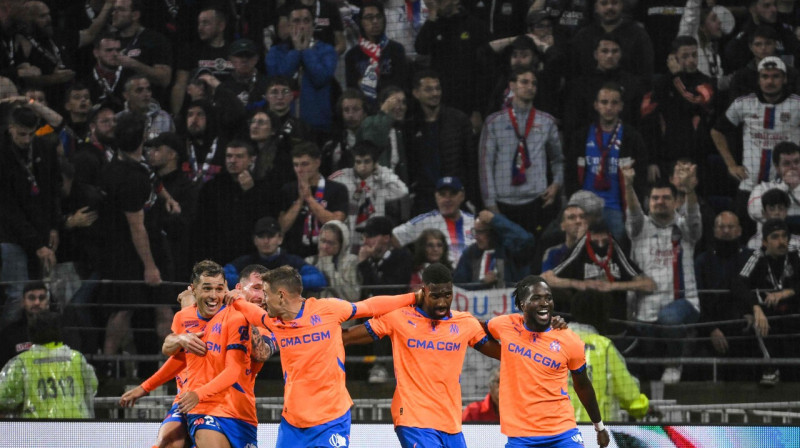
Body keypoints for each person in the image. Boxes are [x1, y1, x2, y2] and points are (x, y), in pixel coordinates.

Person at [229, 265, 424, 447]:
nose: (264, 299)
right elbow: (251, 312)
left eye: (266, 293)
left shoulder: (328, 309)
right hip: (292, 423)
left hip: (332, 420)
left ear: (281, 295)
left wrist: (414, 298)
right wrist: (234, 299)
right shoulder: (274, 323)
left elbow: (370, 306)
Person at [342, 263, 502, 447]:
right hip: (412, 418)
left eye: (447, 295)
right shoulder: (399, 317)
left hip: (450, 422)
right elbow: (347, 337)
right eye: (435, 296)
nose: (442, 302)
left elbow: (505, 354)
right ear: (423, 292)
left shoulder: (466, 323)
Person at [119, 262, 276, 448]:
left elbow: (260, 354)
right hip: (192, 402)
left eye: (265, 291)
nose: (261, 296)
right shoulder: (190, 314)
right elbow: (175, 354)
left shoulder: (258, 322)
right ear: (237, 288)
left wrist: (240, 305)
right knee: (167, 442)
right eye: (257, 288)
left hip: (236, 408)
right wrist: (145, 387)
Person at [485, 276, 610, 448]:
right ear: (522, 304)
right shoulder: (506, 325)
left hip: (563, 434)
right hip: (521, 437)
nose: (544, 302)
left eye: (548, 297)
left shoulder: (569, 339)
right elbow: (476, 334)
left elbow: (582, 385)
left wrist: (599, 427)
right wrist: (505, 354)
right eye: (536, 298)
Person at [622, 163, 702, 384]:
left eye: (666, 197)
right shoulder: (640, 229)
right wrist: (628, 185)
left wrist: (689, 190)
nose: (660, 202)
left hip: (683, 302)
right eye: (655, 198)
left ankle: (674, 362)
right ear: (649, 202)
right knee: (646, 349)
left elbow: (694, 219)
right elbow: (634, 214)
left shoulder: (685, 229)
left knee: (669, 319)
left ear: (676, 202)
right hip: (645, 305)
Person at [712, 56, 800, 235]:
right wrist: (730, 164)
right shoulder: (744, 104)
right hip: (749, 184)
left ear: (784, 79)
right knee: (744, 239)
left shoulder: (797, 105)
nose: (770, 81)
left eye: (775, 76)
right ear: (758, 79)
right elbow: (716, 131)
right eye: (765, 76)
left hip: (786, 186)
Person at [479, 65, 563, 237]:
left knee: (535, 256)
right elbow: (485, 166)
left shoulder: (547, 122)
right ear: (512, 86)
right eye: (524, 82)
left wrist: (556, 185)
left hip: (536, 202)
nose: (530, 87)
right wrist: (491, 204)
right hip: (503, 203)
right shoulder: (493, 122)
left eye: (533, 83)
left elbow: (558, 160)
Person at [565, 81, 650, 242]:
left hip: (616, 208)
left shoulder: (632, 138)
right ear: (596, 105)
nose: (609, 107)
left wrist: (631, 211)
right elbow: (570, 174)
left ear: (621, 106)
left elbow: (640, 178)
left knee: (616, 255)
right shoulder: (581, 137)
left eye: (614, 103)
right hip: (584, 209)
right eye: (604, 102)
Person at [0, 105, 61, 327]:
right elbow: (7, 208)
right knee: (18, 294)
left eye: (30, 133)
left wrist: (54, 227)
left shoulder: (44, 147)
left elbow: (53, 189)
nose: (26, 139)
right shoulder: (3, 152)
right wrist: (36, 244)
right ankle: (7, 348)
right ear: (10, 128)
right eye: (21, 134)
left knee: (38, 293)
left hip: (41, 229)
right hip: (10, 235)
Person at [542, 220, 656, 334]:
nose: (601, 245)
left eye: (604, 241)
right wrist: (579, 284)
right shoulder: (581, 248)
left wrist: (613, 286)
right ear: (589, 236)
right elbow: (545, 278)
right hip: (584, 327)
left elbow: (649, 285)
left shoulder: (615, 248)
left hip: (615, 325)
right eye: (596, 241)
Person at [734, 219, 800, 385]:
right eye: (775, 237)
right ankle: (770, 368)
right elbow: (739, 284)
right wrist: (755, 308)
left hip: (794, 310)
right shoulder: (757, 256)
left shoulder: (795, 253)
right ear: (764, 242)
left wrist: (786, 292)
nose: (781, 241)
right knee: (757, 322)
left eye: (785, 236)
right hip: (769, 313)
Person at [566, 294, 650, 423]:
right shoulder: (604, 347)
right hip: (596, 434)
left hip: (557, 436)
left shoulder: (553, 345)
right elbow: (629, 396)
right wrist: (644, 408)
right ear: (601, 315)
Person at [407, 70, 479, 214]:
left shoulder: (458, 120)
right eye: (428, 89)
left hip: (455, 196)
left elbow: (471, 161)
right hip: (425, 200)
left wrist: (470, 196)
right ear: (416, 93)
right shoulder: (410, 125)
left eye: (437, 88)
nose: (435, 93)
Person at [0, 311, 97, 418]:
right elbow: (92, 386)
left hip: (37, 429)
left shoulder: (22, 362)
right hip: (76, 428)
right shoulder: (77, 358)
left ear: (31, 332)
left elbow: (3, 397)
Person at [192, 140, 275, 265]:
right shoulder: (212, 187)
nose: (232, 160)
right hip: (216, 256)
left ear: (252, 159)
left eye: (239, 156)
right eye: (229, 156)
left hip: (250, 259)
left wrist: (250, 192)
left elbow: (264, 221)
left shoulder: (263, 187)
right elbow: (201, 225)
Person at [694, 211, 754, 377]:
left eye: (730, 226)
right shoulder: (702, 260)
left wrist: (751, 311)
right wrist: (711, 329)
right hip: (710, 326)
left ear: (740, 230)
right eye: (721, 227)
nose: (726, 231)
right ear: (714, 230)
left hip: (744, 327)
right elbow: (697, 299)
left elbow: (756, 290)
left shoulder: (751, 257)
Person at [267, 2, 338, 139]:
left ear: (313, 25)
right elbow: (280, 81)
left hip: (318, 127)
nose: (301, 26)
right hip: (282, 126)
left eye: (306, 21)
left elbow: (321, 78)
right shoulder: (275, 52)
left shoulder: (327, 50)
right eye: (296, 21)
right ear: (288, 26)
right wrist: (295, 52)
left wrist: (305, 51)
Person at [414, 0, 488, 123]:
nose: (438, 3)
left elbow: (483, 71)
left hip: (467, 102)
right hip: (440, 101)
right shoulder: (434, 25)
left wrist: (477, 109)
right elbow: (421, 48)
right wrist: (432, 15)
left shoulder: (474, 25)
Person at [279, 140, 349, 258]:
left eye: (305, 164)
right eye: (296, 165)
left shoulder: (337, 189)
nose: (299, 169)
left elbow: (336, 224)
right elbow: (282, 227)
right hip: (293, 255)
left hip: (326, 254)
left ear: (317, 162)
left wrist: (309, 198)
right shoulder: (287, 189)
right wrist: (300, 200)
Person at [328, 140, 409, 242]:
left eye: (367, 161)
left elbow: (403, 190)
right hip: (348, 235)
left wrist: (380, 170)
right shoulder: (341, 177)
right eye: (358, 162)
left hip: (375, 235)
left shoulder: (381, 179)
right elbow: (325, 192)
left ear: (374, 163)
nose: (362, 166)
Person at [563, 34, 645, 133]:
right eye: (604, 51)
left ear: (621, 54)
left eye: (615, 51)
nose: (610, 56)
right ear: (595, 55)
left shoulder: (634, 84)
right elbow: (573, 122)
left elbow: (638, 120)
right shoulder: (580, 85)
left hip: (624, 140)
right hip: (588, 140)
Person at [224, 216, 327, 290]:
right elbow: (222, 276)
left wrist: (285, 282)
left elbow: (319, 279)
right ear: (255, 240)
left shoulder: (293, 261)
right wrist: (251, 281)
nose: (266, 241)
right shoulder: (245, 261)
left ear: (280, 238)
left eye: (271, 236)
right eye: (261, 236)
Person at [392, 176, 476, 266]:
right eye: (443, 194)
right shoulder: (425, 221)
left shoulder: (474, 221)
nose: (447, 200)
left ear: (462, 196)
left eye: (452, 194)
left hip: (472, 277)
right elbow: (394, 238)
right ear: (436, 196)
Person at [569, 0, 654, 80]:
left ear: (622, 5)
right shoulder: (583, 36)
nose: (609, 7)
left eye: (614, 3)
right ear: (596, 7)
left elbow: (645, 73)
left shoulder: (638, 35)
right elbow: (574, 72)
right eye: (604, 3)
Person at [171, 5, 232, 115]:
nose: (200, 28)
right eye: (199, 23)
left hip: (227, 111)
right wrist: (176, 115)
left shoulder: (233, 52)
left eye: (205, 23)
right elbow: (180, 84)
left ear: (221, 26)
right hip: (199, 112)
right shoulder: (190, 51)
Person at [454, 210, 535, 290]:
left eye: (481, 232)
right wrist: (482, 283)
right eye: (475, 231)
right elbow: (458, 287)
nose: (476, 237)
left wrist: (495, 220)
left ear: (494, 232)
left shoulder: (510, 251)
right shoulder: (470, 253)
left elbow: (525, 240)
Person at [344, 1, 408, 103]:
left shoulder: (396, 50)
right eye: (369, 17)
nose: (375, 21)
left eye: (379, 17)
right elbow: (352, 90)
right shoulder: (351, 55)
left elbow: (402, 84)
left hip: (392, 105)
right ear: (361, 22)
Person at [111, 0, 173, 102]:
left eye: (121, 9)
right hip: (116, 107)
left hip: (147, 106)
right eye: (114, 9)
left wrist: (134, 64)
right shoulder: (109, 41)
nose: (114, 13)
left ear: (135, 15)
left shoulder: (155, 40)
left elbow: (164, 79)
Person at [724, 0, 800, 72]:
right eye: (767, 6)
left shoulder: (783, 30)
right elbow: (732, 56)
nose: (774, 9)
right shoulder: (746, 35)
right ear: (753, 9)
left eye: (775, 5)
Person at [748, 141, 800, 235]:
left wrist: (796, 188)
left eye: (797, 162)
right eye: (787, 163)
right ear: (777, 167)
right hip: (770, 244)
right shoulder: (762, 188)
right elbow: (754, 212)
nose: (793, 167)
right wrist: (785, 187)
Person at [305, 220, 360, 302]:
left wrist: (327, 264)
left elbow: (353, 296)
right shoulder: (310, 261)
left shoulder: (350, 261)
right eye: (323, 241)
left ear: (342, 244)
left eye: (330, 243)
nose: (324, 246)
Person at [0, 282, 52, 367]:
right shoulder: (9, 334)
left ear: (47, 303)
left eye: (41, 298)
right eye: (31, 298)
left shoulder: (58, 330)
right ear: (23, 302)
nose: (37, 302)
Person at [320, 89, 367, 176]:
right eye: (346, 110)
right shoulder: (331, 145)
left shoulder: (375, 139)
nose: (350, 115)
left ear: (365, 112)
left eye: (356, 109)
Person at [119, 74, 174, 141]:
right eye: (139, 90)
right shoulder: (118, 119)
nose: (146, 94)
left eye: (148, 89)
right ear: (127, 95)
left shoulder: (165, 117)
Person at [218, 39, 268, 110]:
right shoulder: (225, 87)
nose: (244, 60)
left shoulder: (267, 84)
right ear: (230, 59)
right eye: (239, 55)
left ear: (257, 58)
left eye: (249, 56)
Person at [541, 203, 588, 273]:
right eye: (572, 217)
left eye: (582, 217)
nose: (578, 221)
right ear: (562, 226)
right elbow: (547, 280)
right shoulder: (552, 253)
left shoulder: (597, 249)